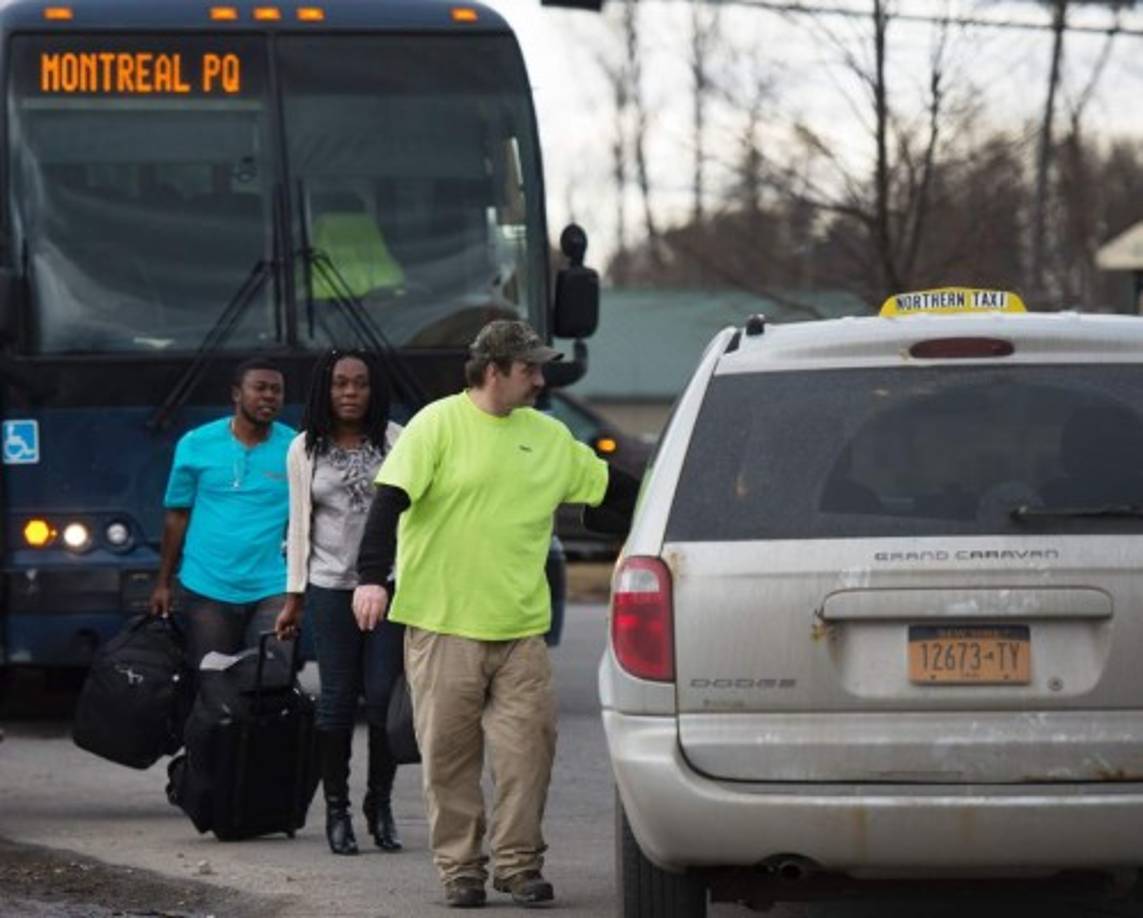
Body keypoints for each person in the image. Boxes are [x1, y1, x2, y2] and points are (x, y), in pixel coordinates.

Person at [352, 319, 638, 909]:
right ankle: (461, 869)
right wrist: (370, 581)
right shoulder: (437, 424)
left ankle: (518, 866)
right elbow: (389, 502)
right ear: (492, 371)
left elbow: (616, 489)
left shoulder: (550, 436)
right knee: (449, 760)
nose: (539, 378)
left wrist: (679, 504)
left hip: (520, 629)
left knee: (528, 754)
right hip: (442, 622)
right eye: (529, 368)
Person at [274, 349, 405, 858]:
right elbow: (299, 527)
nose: (350, 392)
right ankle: (337, 812)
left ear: (375, 390)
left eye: (360, 384)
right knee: (336, 699)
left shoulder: (398, 441)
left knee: (381, 697)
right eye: (340, 384)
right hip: (330, 587)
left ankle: (380, 803)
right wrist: (294, 598)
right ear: (324, 390)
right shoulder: (304, 449)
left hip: (390, 586)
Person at [148, 359, 293, 668]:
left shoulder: (297, 448)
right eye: (260, 388)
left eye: (276, 391)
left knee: (269, 680)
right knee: (212, 684)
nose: (269, 396)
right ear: (237, 394)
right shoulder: (196, 444)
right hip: (207, 587)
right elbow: (177, 516)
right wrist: (163, 582)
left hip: (274, 588)